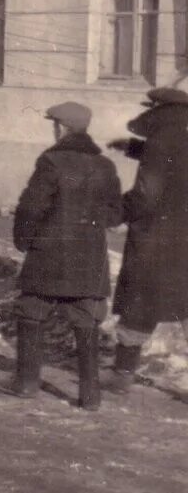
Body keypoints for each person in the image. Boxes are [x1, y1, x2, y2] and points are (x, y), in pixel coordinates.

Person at [7, 102, 122, 410]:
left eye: (54, 124)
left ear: (62, 128)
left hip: (50, 254)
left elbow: (32, 206)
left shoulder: (51, 161)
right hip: (89, 259)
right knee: (87, 320)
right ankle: (90, 396)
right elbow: (115, 214)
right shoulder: (106, 166)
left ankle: (28, 383)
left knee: (32, 310)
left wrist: (23, 238)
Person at [106, 86, 188, 394]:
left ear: (156, 111)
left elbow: (146, 195)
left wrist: (114, 213)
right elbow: (179, 161)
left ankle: (122, 374)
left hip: (158, 239)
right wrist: (132, 148)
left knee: (140, 302)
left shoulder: (160, 138)